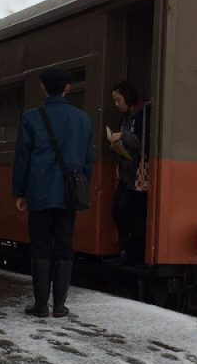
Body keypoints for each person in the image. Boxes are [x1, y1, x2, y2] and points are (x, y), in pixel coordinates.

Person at [12, 67, 94, 318]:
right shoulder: (84, 120)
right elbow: (87, 162)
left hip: (39, 192)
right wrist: (81, 188)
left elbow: (22, 159)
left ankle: (40, 305)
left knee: (40, 246)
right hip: (69, 194)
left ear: (44, 88)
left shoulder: (31, 118)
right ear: (68, 88)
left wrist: (20, 191)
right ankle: (60, 305)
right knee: (64, 246)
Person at [108, 81, 151, 264]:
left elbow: (144, 144)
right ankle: (128, 249)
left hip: (137, 174)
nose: (116, 104)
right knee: (117, 210)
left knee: (127, 211)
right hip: (126, 173)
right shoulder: (125, 117)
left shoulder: (143, 115)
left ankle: (136, 252)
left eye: (118, 100)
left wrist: (122, 136)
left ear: (127, 97)